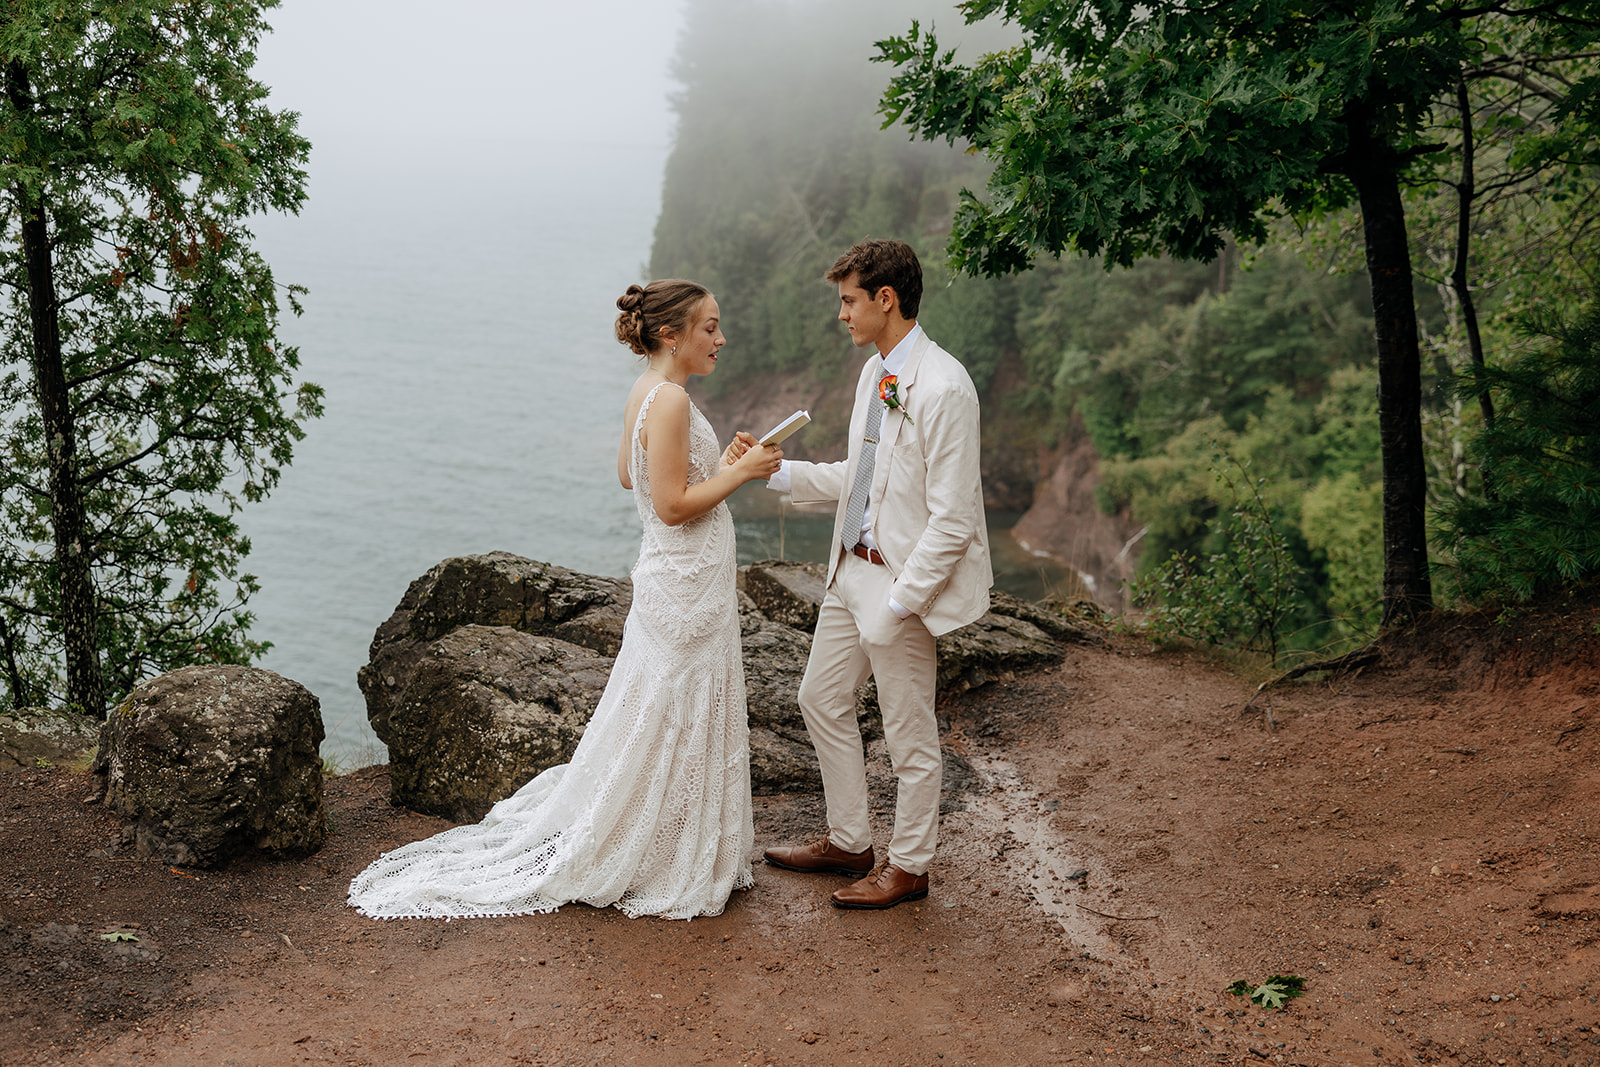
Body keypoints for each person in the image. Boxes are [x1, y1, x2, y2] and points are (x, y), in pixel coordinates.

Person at [347, 279, 782, 921]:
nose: (721, 338)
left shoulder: (648, 392)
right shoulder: (672, 403)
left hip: (679, 577)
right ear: (671, 334)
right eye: (710, 327)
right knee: (678, 707)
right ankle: (670, 855)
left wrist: (722, 465)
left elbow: (629, 474)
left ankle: (666, 840)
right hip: (686, 581)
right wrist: (738, 474)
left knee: (659, 708)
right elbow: (668, 505)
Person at [756, 238, 992, 909]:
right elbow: (859, 479)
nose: (842, 314)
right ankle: (850, 839)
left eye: (849, 300)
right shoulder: (872, 374)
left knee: (908, 733)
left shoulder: (946, 388)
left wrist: (900, 604)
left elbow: (953, 522)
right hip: (849, 573)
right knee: (820, 698)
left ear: (885, 299)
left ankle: (910, 865)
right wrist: (779, 471)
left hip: (900, 588)